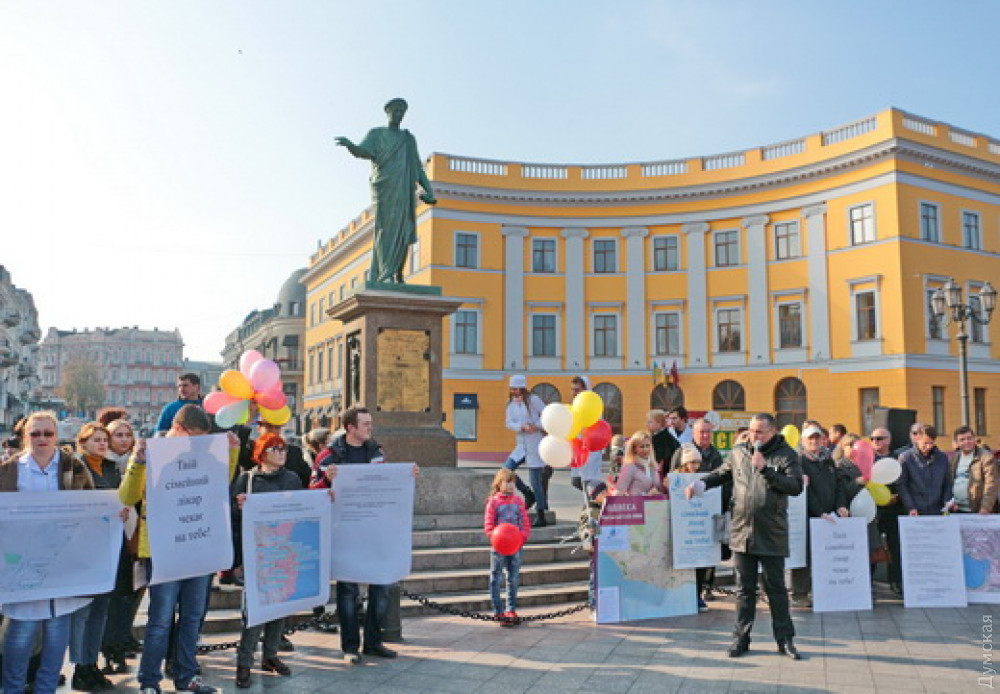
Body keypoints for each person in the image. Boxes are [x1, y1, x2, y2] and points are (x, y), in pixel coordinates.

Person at [120, 404, 240, 694]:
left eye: (202, 439)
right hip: (162, 549)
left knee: (192, 617)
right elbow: (127, 495)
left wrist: (232, 451)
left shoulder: (203, 454)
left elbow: (219, 481)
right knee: (160, 620)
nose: (196, 444)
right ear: (178, 428)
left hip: (197, 546)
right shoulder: (152, 451)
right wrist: (137, 462)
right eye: (194, 437)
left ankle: (186, 676)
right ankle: (149, 681)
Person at [686, 413, 803, 660]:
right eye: (751, 431)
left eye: (760, 432)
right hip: (742, 531)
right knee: (744, 590)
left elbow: (795, 486)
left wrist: (766, 470)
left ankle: (785, 640)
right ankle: (740, 639)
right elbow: (722, 473)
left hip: (771, 532)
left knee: (776, 590)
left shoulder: (786, 454)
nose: (754, 436)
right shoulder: (739, 452)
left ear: (772, 432)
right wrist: (701, 485)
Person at [310, 406, 418, 664]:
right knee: (348, 593)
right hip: (346, 534)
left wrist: (407, 477)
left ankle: (373, 642)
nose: (370, 428)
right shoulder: (328, 456)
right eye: (366, 424)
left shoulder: (377, 453)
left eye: (371, 423)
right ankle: (350, 647)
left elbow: (388, 485)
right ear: (351, 428)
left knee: (381, 588)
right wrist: (326, 480)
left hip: (375, 533)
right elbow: (312, 490)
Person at [1, 412, 95, 694]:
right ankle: (11, 688)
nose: (42, 439)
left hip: (61, 560)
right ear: (25, 437)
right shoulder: (9, 469)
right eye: (35, 434)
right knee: (21, 631)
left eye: (48, 434)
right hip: (21, 561)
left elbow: (90, 503)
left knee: (57, 633)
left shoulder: (73, 467)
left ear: (56, 436)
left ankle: (46, 689)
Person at [335, 97, 437, 284]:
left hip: (404, 190)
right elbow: (363, 152)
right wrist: (351, 146)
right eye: (395, 111)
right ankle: (385, 273)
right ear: (388, 113)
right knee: (385, 229)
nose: (398, 115)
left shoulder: (408, 139)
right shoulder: (376, 134)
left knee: (404, 230)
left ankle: (397, 273)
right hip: (385, 187)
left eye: (401, 112)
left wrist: (429, 191)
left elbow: (416, 166)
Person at [231, 433, 303, 689]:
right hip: (256, 552)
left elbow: (303, 509)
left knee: (279, 606)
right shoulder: (248, 479)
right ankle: (244, 663)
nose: (282, 452)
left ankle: (270, 655)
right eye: (275, 448)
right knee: (255, 611)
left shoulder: (292, 479)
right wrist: (238, 507)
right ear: (261, 453)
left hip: (283, 551)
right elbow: (232, 518)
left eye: (283, 448)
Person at [69, 423, 121, 692]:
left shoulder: (112, 468)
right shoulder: (75, 468)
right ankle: (79, 665)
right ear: (83, 442)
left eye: (104, 440)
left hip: (108, 545)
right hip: (82, 547)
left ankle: (92, 662)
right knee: (83, 611)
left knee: (101, 610)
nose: (102, 444)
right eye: (96, 440)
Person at [102, 416, 144, 672]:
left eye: (128, 435)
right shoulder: (103, 465)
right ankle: (109, 650)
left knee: (130, 594)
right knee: (113, 598)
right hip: (109, 539)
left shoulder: (138, 463)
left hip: (134, 536)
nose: (124, 440)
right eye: (118, 435)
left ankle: (121, 641)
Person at [671, 420, 729, 604]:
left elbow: (723, 480)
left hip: (708, 512)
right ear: (694, 433)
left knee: (708, 551)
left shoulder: (716, 455)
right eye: (701, 432)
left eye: (708, 432)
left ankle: (706, 587)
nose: (705, 436)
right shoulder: (683, 450)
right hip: (687, 515)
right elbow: (673, 477)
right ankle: (689, 592)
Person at [790, 424, 848, 608]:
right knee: (804, 556)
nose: (814, 441)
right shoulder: (799, 461)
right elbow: (804, 492)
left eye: (817, 438)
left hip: (829, 516)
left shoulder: (828, 460)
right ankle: (800, 593)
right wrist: (818, 512)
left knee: (827, 554)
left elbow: (838, 485)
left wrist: (840, 505)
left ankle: (825, 590)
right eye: (810, 439)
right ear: (803, 441)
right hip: (808, 516)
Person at [483, 469, 530, 626]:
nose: (510, 486)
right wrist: (496, 538)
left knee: (513, 577)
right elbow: (489, 525)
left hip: (516, 546)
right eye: (507, 482)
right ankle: (498, 610)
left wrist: (522, 537)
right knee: (496, 577)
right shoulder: (494, 502)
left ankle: (511, 608)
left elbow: (524, 521)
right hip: (499, 546)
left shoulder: (518, 501)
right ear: (499, 483)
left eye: (513, 482)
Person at [502, 376, 546, 526]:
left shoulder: (533, 400)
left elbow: (546, 415)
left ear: (522, 388)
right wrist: (521, 426)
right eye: (512, 388)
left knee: (536, 481)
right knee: (506, 470)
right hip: (521, 445)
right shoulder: (510, 404)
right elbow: (508, 423)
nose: (513, 391)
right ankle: (527, 493)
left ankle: (541, 514)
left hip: (534, 443)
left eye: (516, 388)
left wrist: (536, 426)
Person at [871, 427, 904, 595]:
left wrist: (897, 497)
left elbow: (903, 482)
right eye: (873, 439)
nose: (875, 442)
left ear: (889, 440)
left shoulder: (898, 458)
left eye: (879, 438)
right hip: (873, 510)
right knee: (872, 546)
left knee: (894, 547)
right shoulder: (869, 458)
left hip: (894, 509)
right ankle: (868, 581)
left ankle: (896, 581)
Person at [896, 424, 952, 516]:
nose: (929, 446)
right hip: (915, 510)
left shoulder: (942, 457)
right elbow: (902, 486)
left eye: (931, 443)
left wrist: (947, 501)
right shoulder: (905, 458)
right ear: (918, 439)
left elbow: (947, 482)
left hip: (938, 510)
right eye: (925, 443)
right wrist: (911, 507)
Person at [946, 425, 998, 514]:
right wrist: (949, 502)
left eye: (969, 438)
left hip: (978, 511)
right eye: (962, 440)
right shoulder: (953, 459)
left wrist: (986, 507)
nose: (966, 442)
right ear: (957, 443)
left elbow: (991, 485)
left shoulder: (986, 457)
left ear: (975, 439)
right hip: (956, 510)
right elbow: (949, 483)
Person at [569, 376, 603, 495]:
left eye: (577, 390)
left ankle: (597, 502)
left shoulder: (592, 405)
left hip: (590, 451)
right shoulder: (575, 405)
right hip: (578, 450)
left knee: (589, 482)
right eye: (572, 389)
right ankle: (594, 502)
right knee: (576, 480)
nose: (574, 393)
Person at [578, 481, 608, 609]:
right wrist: (587, 534)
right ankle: (593, 604)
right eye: (603, 492)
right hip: (595, 548)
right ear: (595, 495)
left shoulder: (605, 507)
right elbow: (583, 528)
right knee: (594, 577)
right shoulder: (590, 511)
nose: (606, 494)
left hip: (604, 547)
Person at [614, 431, 664, 496]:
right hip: (636, 505)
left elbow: (659, 490)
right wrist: (646, 495)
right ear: (634, 449)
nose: (645, 449)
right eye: (642, 446)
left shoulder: (653, 466)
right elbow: (619, 493)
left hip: (654, 505)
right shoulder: (629, 467)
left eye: (647, 446)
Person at [647, 409, 678, 485]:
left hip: (664, 476)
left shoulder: (661, 439)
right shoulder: (662, 436)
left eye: (650, 422)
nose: (646, 424)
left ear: (659, 423)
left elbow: (660, 460)